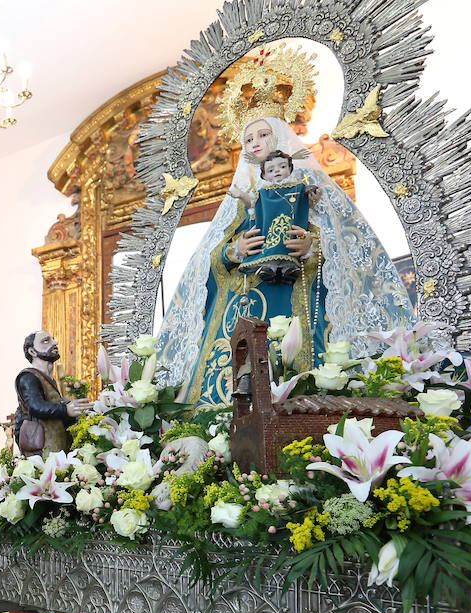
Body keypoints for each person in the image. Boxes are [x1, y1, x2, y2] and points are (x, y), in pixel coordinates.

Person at [156, 113, 413, 406]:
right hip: (245, 309)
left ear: (280, 140)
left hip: (298, 300)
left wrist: (311, 246)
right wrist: (234, 250)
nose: (255, 143)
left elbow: (345, 250)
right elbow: (210, 262)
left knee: (300, 383)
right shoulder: (242, 202)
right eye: (248, 139)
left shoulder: (310, 192)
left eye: (263, 135)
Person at [226, 150, 322, 284]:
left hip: (290, 227)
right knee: (271, 247)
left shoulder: (297, 187)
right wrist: (241, 195)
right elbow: (252, 202)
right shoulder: (263, 192)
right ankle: (269, 268)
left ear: (290, 168)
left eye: (282, 167)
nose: (277, 171)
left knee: (288, 245)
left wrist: (314, 197)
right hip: (270, 228)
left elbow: (306, 204)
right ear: (264, 175)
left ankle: (288, 268)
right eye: (271, 170)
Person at [14, 330, 92, 456]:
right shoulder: (28, 377)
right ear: (32, 351)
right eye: (46, 341)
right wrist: (66, 409)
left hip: (56, 446)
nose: (55, 343)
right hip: (42, 450)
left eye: (53, 339)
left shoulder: (47, 379)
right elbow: (35, 407)